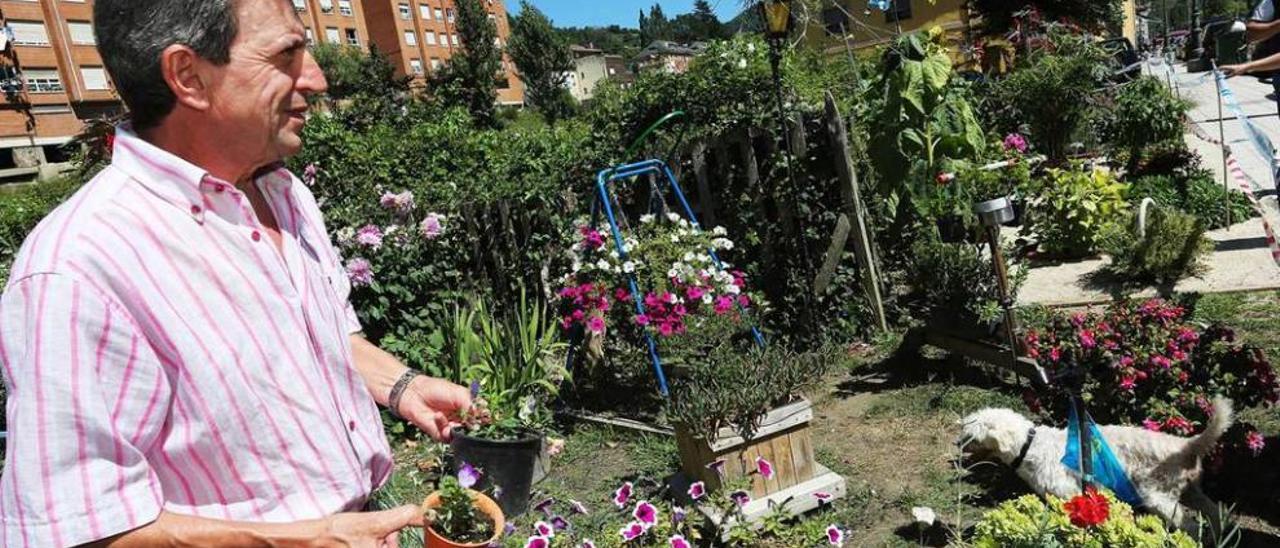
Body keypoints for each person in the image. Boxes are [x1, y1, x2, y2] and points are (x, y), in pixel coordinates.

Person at [0, 0, 472, 546]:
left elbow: (318, 337)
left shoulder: (283, 190)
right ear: (188, 76)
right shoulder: (79, 269)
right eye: (287, 54)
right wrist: (304, 539)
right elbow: (76, 528)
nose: (316, 78)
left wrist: (404, 386)